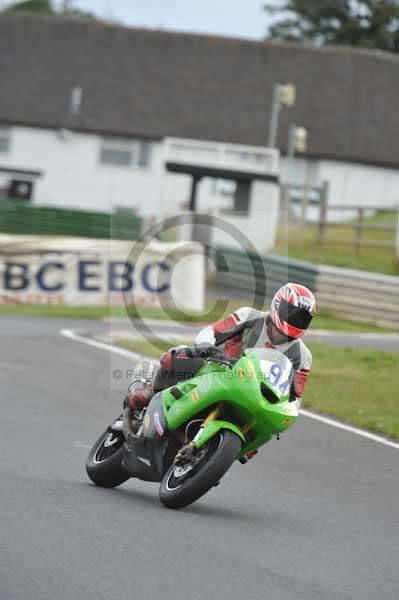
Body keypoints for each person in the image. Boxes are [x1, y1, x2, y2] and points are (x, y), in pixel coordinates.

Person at [125, 283, 316, 411]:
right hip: (218, 370)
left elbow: (295, 399)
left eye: (301, 318)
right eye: (291, 313)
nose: (294, 320)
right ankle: (152, 392)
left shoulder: (302, 355)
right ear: (278, 304)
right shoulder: (250, 316)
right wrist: (207, 346)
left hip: (253, 396)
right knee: (179, 356)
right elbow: (211, 331)